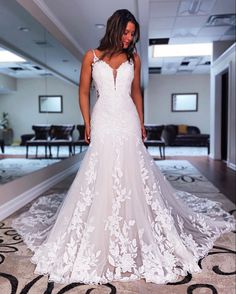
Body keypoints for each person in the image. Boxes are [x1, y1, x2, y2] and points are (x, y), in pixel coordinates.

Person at [12, 9, 235, 285]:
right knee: (102, 170)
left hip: (127, 118)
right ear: (115, 29)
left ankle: (133, 224)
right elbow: (82, 91)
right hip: (103, 118)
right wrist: (87, 122)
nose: (129, 38)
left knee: (132, 171)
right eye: (126, 32)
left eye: (133, 34)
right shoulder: (91, 57)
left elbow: (136, 92)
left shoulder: (135, 58)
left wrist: (141, 122)